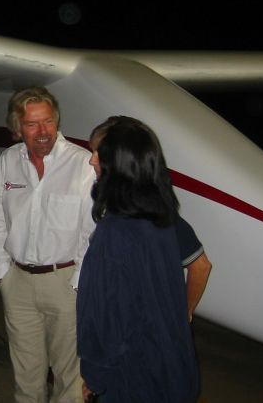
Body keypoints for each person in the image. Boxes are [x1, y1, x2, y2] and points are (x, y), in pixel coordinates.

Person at [77, 117, 199, 403]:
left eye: (99, 154)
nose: (91, 162)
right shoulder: (162, 218)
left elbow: (104, 315)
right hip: (173, 366)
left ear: (118, 165)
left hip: (132, 374)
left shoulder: (116, 231)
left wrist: (95, 375)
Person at [0, 86, 95, 403]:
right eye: (32, 124)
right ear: (17, 127)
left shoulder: (82, 163)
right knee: (26, 378)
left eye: (48, 121)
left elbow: (92, 232)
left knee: (70, 381)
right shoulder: (8, 160)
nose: (43, 131)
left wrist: (77, 284)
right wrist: (3, 274)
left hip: (65, 283)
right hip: (18, 283)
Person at [88, 117, 212, 322]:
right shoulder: (117, 210)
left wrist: (184, 314)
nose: (91, 160)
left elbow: (201, 266)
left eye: (98, 152)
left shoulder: (150, 218)